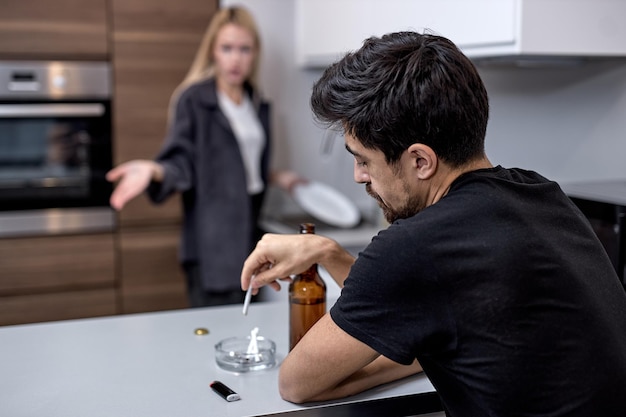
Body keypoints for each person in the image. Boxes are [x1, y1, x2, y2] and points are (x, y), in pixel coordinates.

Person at [240, 31, 626, 415]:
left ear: (420, 161)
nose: (359, 176)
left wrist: (411, 354)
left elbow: (296, 382)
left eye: (363, 160)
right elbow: (419, 306)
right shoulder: (541, 192)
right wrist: (327, 251)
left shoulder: (417, 246)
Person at [106, 6, 303, 307]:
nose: (235, 59)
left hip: (249, 227)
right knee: (216, 329)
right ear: (213, 51)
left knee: (248, 329)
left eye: (244, 49)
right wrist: (154, 170)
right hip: (212, 236)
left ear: (255, 53)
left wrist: (277, 176)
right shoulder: (194, 100)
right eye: (227, 48)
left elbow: (241, 163)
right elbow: (182, 162)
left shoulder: (256, 101)